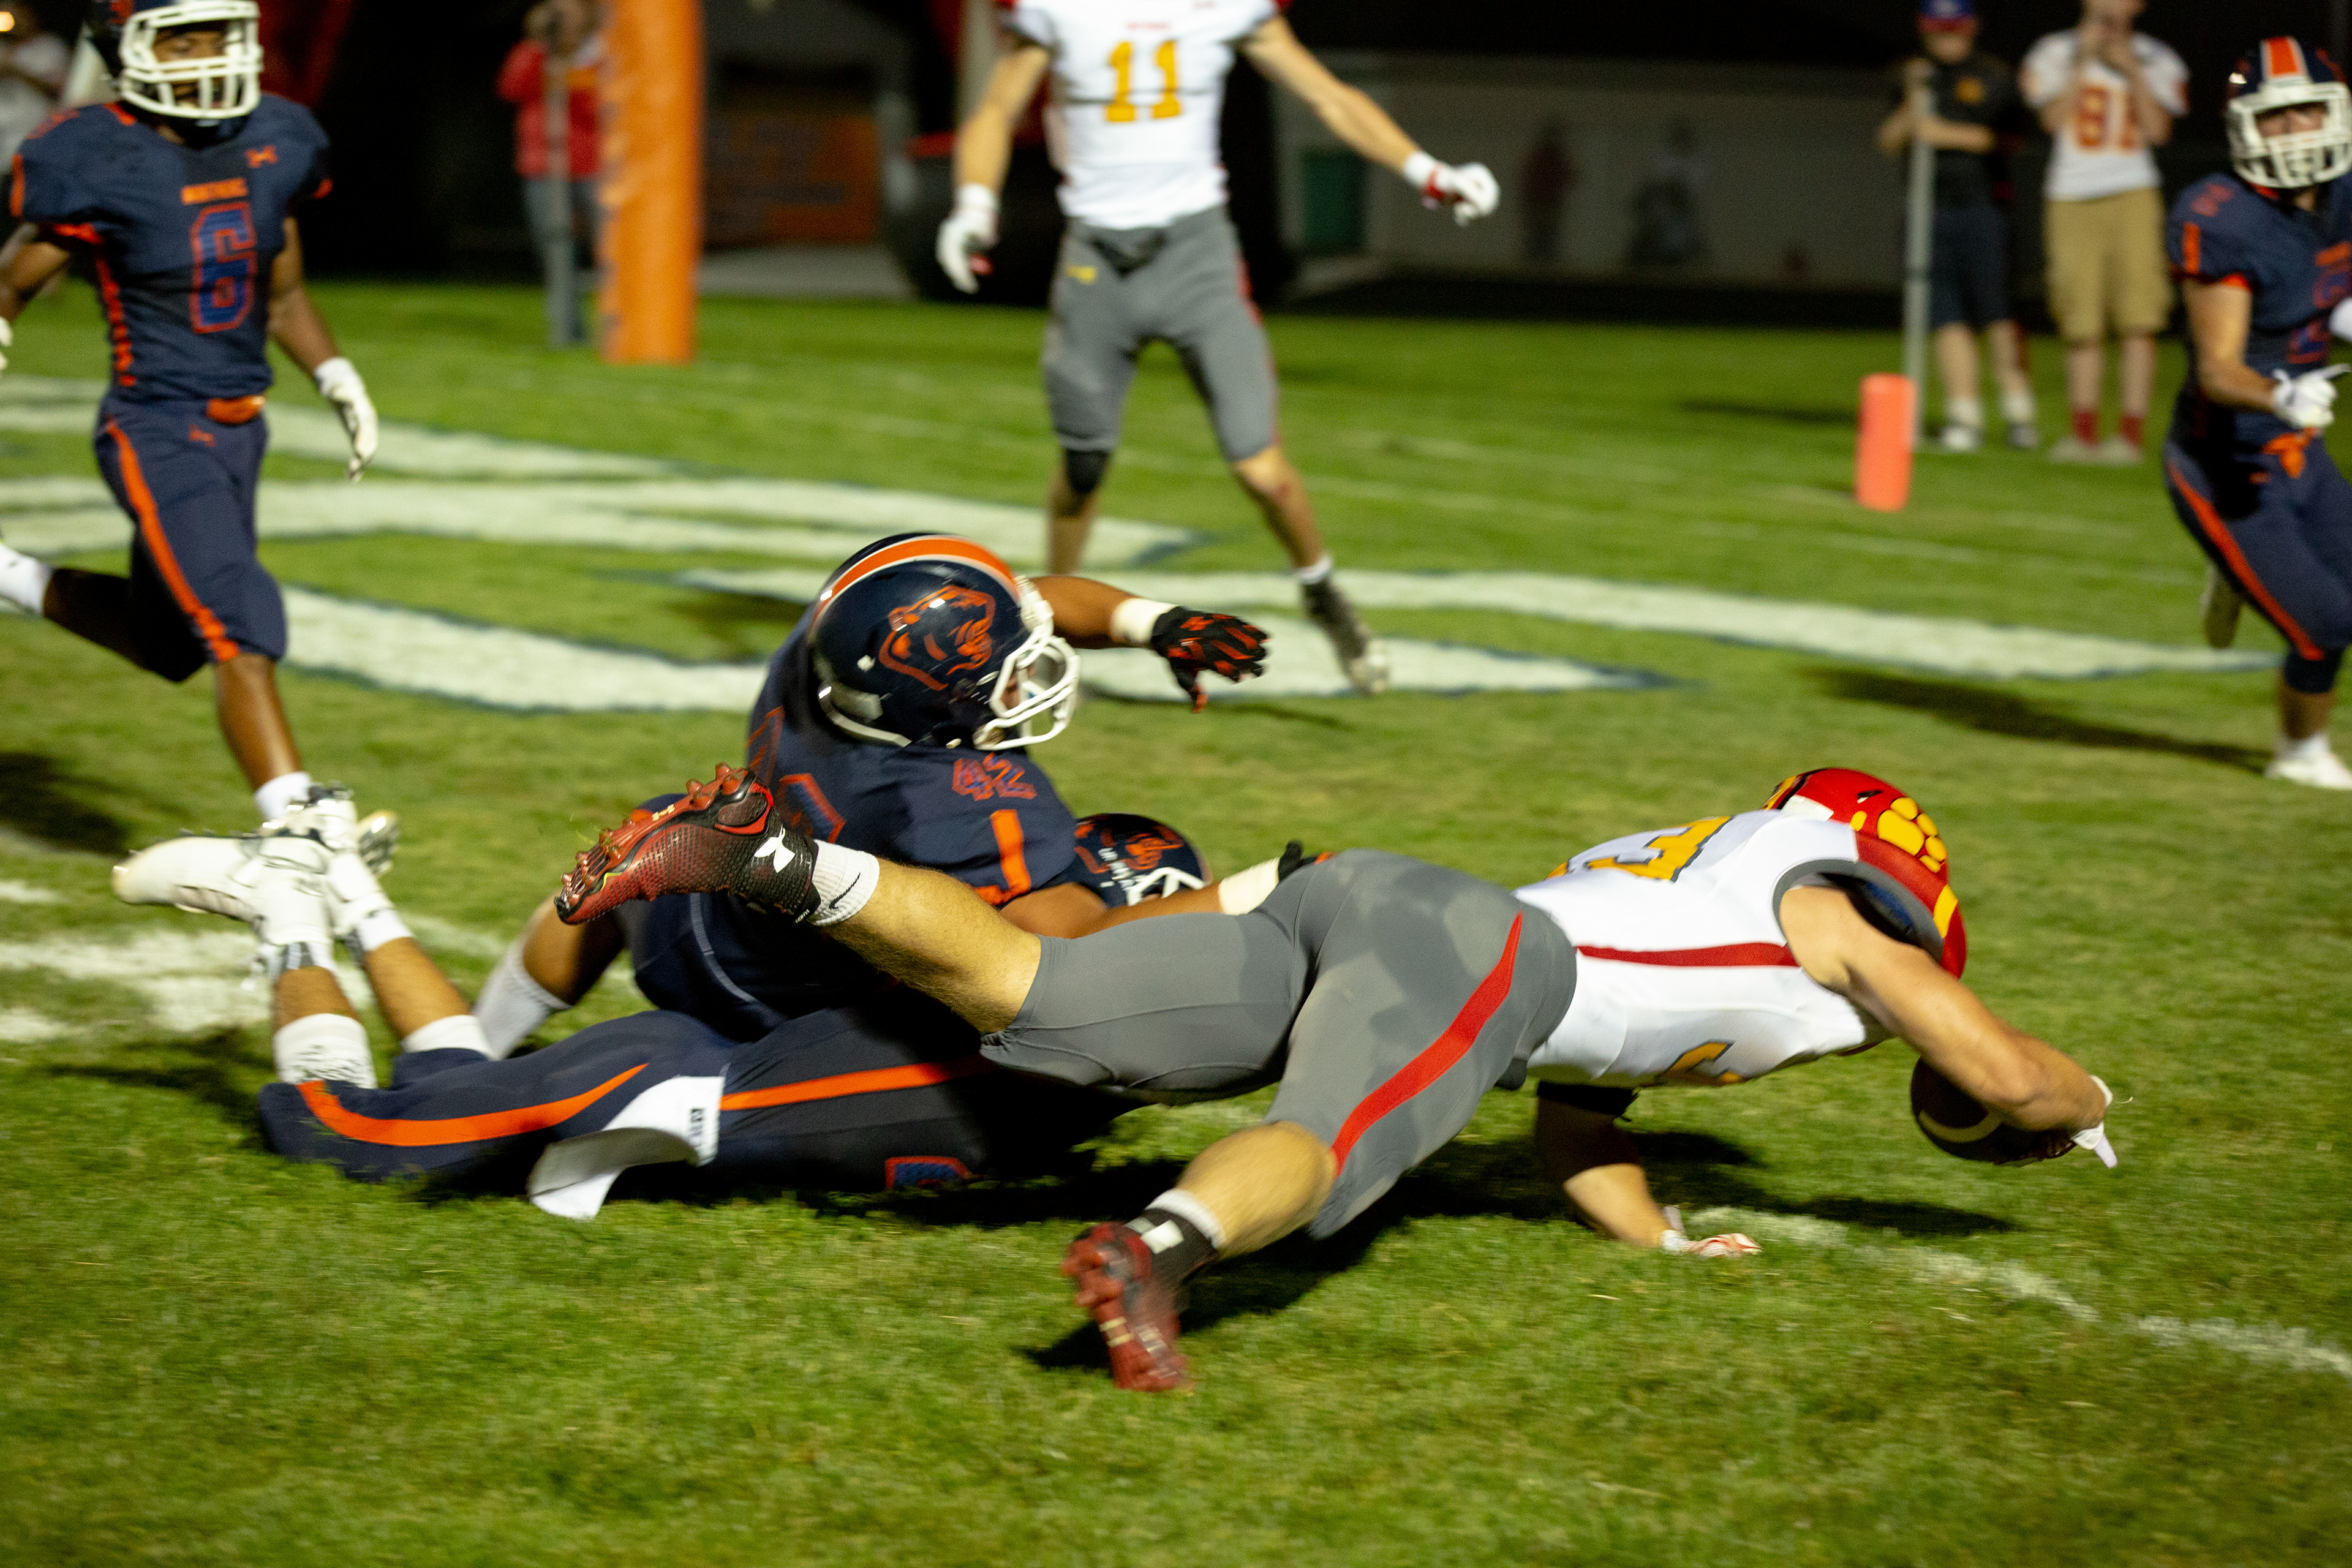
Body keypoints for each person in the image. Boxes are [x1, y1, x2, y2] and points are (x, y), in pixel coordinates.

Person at [553, 765, 2119, 1393]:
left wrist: (1657, 1240)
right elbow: (2000, 1072)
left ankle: (763, 853)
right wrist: (2092, 1097)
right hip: (1485, 959)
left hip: (1390, 905)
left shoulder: (1714, 876)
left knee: (1036, 998)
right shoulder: (1839, 913)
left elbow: (1579, 1113)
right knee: (1330, 1140)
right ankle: (1153, 1254)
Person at [113, 810, 1222, 1214]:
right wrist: (1271, 897)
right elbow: (1074, 961)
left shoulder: (1105, 1054)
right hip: (665, 1092)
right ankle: (289, 910)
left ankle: (341, 880)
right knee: (340, 1131)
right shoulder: (1052, 980)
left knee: (442, 1089)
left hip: (686, 1085)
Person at [472, 532, 1280, 1057]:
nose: (1030, 670)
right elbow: (1074, 952)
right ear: (936, 703)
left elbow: (1025, 601)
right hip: (796, 1004)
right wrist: (1259, 892)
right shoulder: (968, 805)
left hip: (688, 908)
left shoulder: (829, 653)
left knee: (655, 830)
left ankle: (480, 1039)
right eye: (1003, 671)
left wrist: (1154, 621)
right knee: (1128, 868)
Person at [933, 1, 1501, 695]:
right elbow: (997, 107)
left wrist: (1426, 172)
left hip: (1195, 256)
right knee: (1082, 465)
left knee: (1263, 469)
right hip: (1096, 262)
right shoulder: (1058, 8)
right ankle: (1046, 628)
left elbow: (1328, 94)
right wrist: (974, 203)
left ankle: (1323, 592)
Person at [0, 1, 379, 834]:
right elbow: (15, 281)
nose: (208, 54)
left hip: (243, 428)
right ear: (128, 50)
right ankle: (300, 827)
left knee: (168, 640)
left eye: (219, 33)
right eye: (183, 37)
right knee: (238, 624)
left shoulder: (272, 138)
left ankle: (6, 575)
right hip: (157, 425)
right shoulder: (98, 157)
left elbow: (282, 295)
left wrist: (337, 374)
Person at [2163, 37, 2352, 791]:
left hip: (2298, 447)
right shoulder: (2223, 216)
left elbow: (2321, 285)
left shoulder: (2344, 192)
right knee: (2325, 626)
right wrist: (2280, 393)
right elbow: (2218, 369)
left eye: (2309, 111)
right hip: (2227, 461)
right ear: (2245, 126)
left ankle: (2243, 576)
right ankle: (2298, 754)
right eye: (2277, 118)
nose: (2297, 132)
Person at [2020, 0, 2186, 465]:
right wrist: (2085, 61)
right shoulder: (2054, 52)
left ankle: (2129, 437)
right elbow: (2051, 120)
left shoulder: (2157, 57)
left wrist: (2131, 69)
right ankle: (2083, 433)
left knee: (2138, 318)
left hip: (2133, 191)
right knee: (2080, 320)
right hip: (2070, 194)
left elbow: (2158, 131)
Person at [1878, 0, 2037, 453]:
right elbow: (1890, 141)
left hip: (1984, 210)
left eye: (1954, 28)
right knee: (1945, 316)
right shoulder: (1912, 76)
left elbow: (2010, 139)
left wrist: (1945, 134)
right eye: (1937, 28)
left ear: (1970, 28)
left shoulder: (1993, 77)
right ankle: (1963, 415)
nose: (1946, 37)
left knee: (1997, 314)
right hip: (1928, 212)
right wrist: (1914, 103)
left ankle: (2017, 410)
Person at [495, 0, 601, 349]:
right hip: (544, 166)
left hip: (591, 165)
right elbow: (512, 88)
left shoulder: (597, 54)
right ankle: (567, 333)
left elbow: (600, 109)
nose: (566, 22)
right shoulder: (535, 53)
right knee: (555, 250)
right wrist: (541, 48)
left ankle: (622, 331)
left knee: (611, 249)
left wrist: (571, 77)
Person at [0, 2, 69, 168]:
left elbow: (57, 90)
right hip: (5, 142)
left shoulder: (50, 46)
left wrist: (19, 72)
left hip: (37, 137)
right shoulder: (4, 49)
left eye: (17, 16)